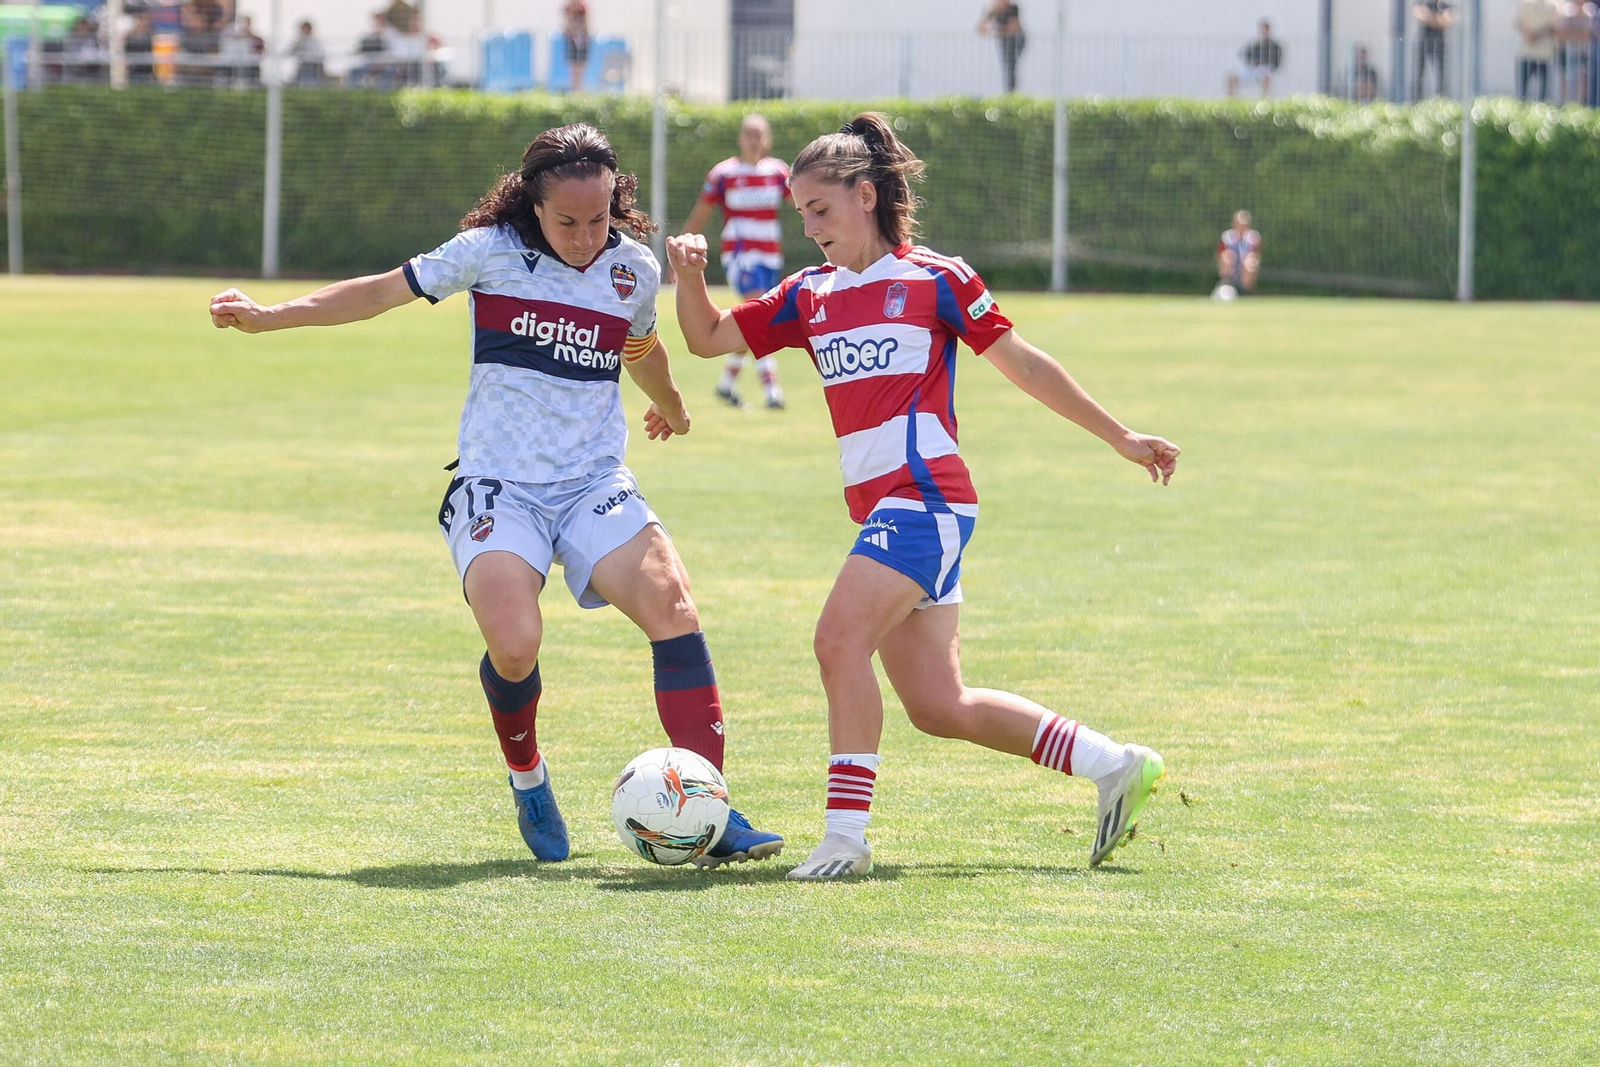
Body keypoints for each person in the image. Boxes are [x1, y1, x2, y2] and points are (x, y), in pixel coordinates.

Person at [208, 123, 783, 869]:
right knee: (514, 646)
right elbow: (379, 292)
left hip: (592, 483)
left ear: (618, 202)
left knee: (674, 607)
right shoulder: (488, 253)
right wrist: (269, 315)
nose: (584, 237)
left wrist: (671, 405)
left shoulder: (633, 269)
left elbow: (639, 347)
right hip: (498, 485)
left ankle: (710, 810)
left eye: (599, 219)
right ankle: (529, 777)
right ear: (533, 206)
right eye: (567, 221)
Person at [668, 113, 1178, 880]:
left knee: (837, 641)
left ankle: (845, 837)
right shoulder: (808, 297)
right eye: (800, 214)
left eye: (820, 210)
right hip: (886, 511)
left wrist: (1120, 436)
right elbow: (706, 339)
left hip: (928, 498)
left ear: (865, 196)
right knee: (941, 706)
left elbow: (1026, 364)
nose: (809, 229)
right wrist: (687, 274)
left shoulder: (937, 278)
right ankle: (1115, 764)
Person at [680, 114, 790, 410]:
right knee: (758, 314)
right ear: (740, 138)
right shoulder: (724, 174)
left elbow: (805, 205)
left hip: (769, 255)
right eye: (749, 134)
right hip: (741, 254)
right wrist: (680, 249)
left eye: (760, 134)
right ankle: (772, 391)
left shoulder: (778, 172)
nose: (754, 140)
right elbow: (701, 212)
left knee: (750, 318)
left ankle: (726, 385)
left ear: (768, 139)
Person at [977, 1, 1025, 94]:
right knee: (1007, 66)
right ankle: (1009, 92)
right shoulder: (991, 11)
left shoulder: (1012, 9)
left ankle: (1011, 92)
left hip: (1016, 41)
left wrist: (998, 31)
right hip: (1004, 42)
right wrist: (989, 15)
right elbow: (981, 29)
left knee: (1010, 66)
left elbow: (1014, 27)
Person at [1227, 19, 1283, 98]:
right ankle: (1231, 99)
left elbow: (1276, 61)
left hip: (1265, 69)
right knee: (1231, 76)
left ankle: (1264, 99)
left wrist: (1263, 63)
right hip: (1253, 69)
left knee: (1267, 76)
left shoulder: (1275, 46)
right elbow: (1246, 55)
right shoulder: (1256, 44)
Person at [1517, 0, 1559, 101]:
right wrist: (1530, 35)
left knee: (1543, 91)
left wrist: (1535, 35)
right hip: (1527, 53)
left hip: (1543, 54)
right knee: (1523, 89)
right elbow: (1518, 22)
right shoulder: (1525, 4)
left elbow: (1554, 27)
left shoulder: (1551, 6)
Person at [1412, 0, 1454, 99]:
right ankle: (1418, 100)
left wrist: (1429, 17)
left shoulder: (1444, 4)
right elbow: (1418, 15)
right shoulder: (1423, 2)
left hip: (1440, 43)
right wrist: (1437, 19)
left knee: (1442, 74)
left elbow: (1447, 20)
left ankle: (1441, 98)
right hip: (1424, 41)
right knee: (1419, 73)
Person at [1217, 210, 1262, 296]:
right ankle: (1227, 284)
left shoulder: (1253, 237)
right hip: (1231, 265)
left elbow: (1256, 255)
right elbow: (1220, 254)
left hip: (1245, 265)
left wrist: (1247, 259)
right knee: (1227, 257)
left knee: (1250, 263)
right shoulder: (1227, 236)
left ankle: (1244, 292)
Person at [562, 0, 590, 92]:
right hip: (571, 40)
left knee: (581, 64)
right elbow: (566, 25)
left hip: (581, 40)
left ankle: (580, 88)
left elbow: (586, 24)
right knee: (573, 65)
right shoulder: (568, 7)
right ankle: (574, 88)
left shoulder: (583, 7)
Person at [290, 20, 326, 87]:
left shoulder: (314, 41)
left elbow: (319, 55)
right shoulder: (301, 40)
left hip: (312, 65)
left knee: (309, 83)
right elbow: (292, 50)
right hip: (304, 64)